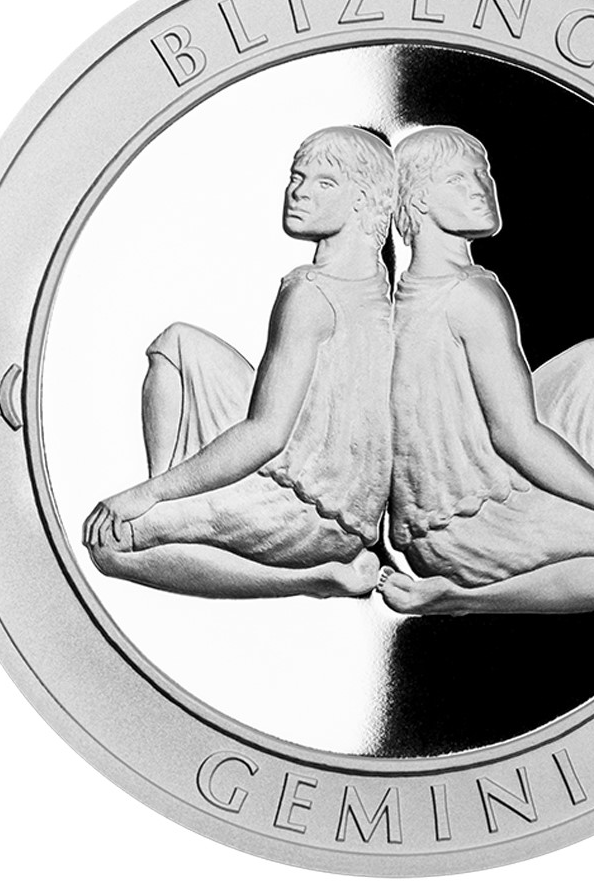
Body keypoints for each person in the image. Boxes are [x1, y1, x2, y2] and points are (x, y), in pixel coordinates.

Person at [380, 125, 594, 615]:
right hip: (469, 525)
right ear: (419, 200)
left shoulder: (414, 290)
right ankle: (460, 599)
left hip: (454, 494)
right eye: (457, 180)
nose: (480, 188)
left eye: (482, 174)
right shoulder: (471, 297)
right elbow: (515, 435)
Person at [83, 126, 395, 599]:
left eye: (324, 183)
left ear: (362, 202)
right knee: (176, 343)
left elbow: (266, 434)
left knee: (109, 544)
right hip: (334, 485)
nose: (298, 192)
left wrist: (148, 496)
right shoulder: (374, 278)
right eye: (297, 177)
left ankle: (317, 580)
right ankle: (174, 498)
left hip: (307, 512)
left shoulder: (310, 294)